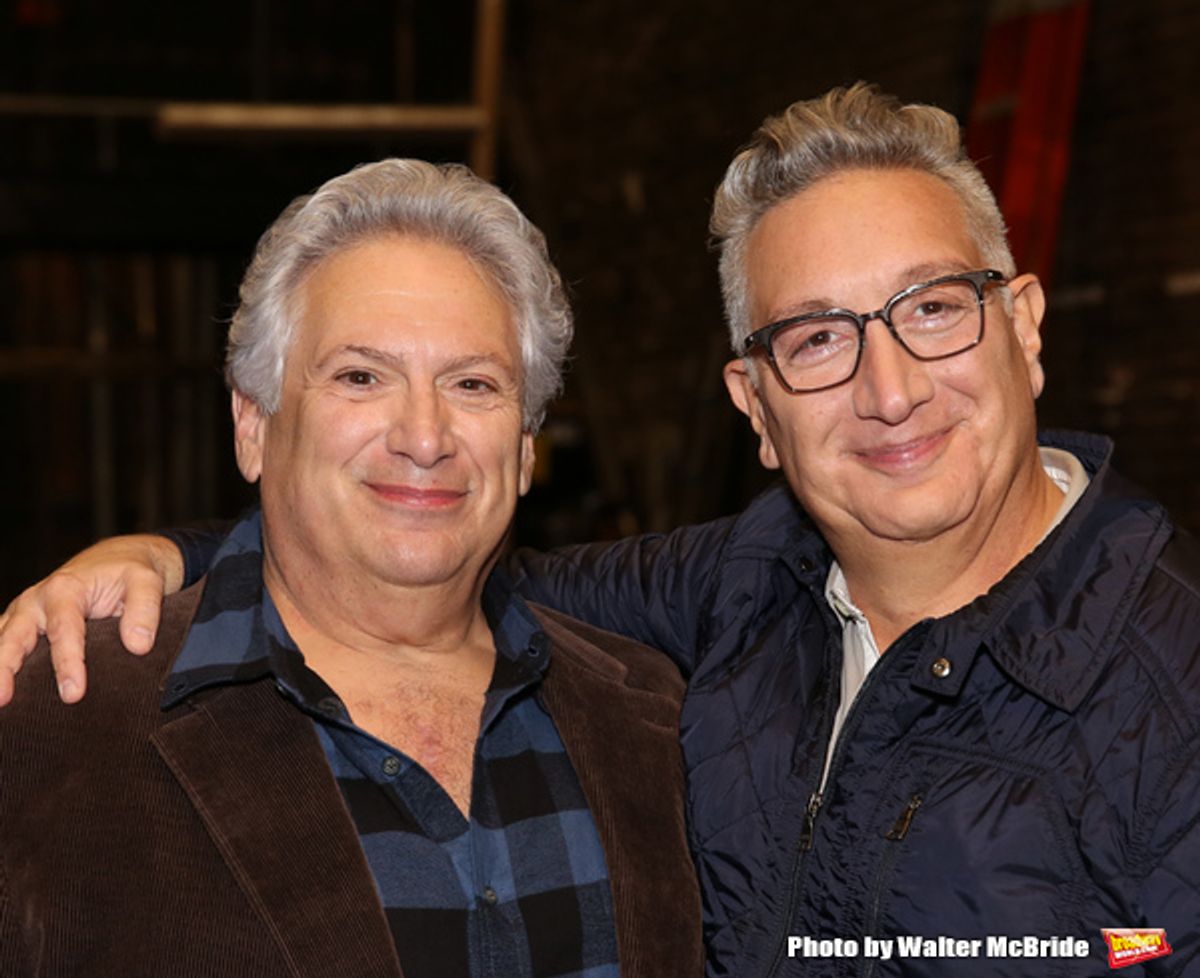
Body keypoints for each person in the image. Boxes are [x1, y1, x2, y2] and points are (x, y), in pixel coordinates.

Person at [3, 84, 1199, 977]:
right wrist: (170, 558)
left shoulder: (1176, 684)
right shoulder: (731, 597)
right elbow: (418, 547)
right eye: (818, 339)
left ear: (1025, 326)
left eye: (934, 309)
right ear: (756, 408)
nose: (890, 390)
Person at [0, 159, 703, 978]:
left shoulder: (657, 720)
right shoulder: (52, 724)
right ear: (253, 425)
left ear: (523, 450)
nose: (424, 436)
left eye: (473, 383)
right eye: (361, 377)